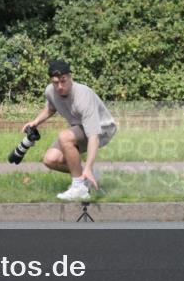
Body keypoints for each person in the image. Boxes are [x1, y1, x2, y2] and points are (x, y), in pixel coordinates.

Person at [22, 59, 118, 201]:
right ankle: (84, 178)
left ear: (70, 77)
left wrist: (89, 166)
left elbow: (93, 136)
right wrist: (35, 122)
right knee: (50, 160)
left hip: (103, 129)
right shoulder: (50, 91)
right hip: (79, 127)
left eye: (63, 81)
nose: (60, 86)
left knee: (65, 136)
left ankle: (79, 186)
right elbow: (50, 108)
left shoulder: (83, 96)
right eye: (55, 82)